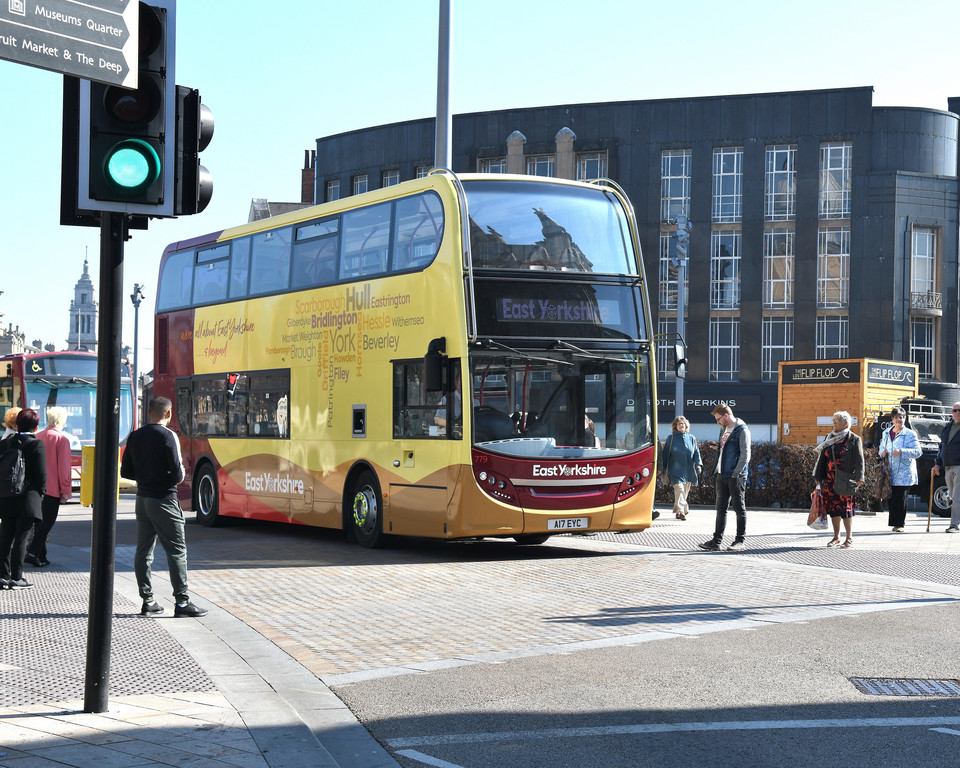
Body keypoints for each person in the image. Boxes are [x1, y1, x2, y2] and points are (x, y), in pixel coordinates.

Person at [120, 396, 207, 618]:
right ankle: (182, 602)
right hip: (165, 500)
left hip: (143, 499)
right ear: (168, 414)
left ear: (149, 412)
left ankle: (148, 600)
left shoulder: (135, 436)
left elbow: (126, 473)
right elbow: (178, 475)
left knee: (143, 551)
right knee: (177, 550)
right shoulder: (169, 436)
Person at [0, 409, 46, 590]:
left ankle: (3, 576)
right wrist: (40, 494)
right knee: (21, 537)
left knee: (5, 536)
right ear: (35, 427)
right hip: (28, 497)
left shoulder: (5, 444)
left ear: (16, 425)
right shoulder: (37, 445)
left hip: (6, 496)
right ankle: (17, 577)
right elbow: (41, 475)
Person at [25, 407, 73, 567]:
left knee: (39, 522)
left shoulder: (37, 436)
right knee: (47, 523)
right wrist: (65, 491)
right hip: (53, 488)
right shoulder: (62, 439)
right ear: (62, 420)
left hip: (36, 488)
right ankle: (32, 553)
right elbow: (64, 469)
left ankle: (42, 556)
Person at [699, 404, 751, 551]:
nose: (717, 422)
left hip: (735, 476)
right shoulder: (724, 429)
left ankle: (740, 541)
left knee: (739, 508)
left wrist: (736, 474)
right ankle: (716, 541)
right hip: (721, 474)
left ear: (726, 415)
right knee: (720, 509)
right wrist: (719, 447)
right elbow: (728, 450)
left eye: (718, 419)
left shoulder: (742, 430)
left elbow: (746, 455)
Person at [813, 411, 865, 548]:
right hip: (830, 479)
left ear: (845, 423)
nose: (834, 423)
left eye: (836, 421)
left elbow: (860, 460)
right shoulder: (829, 437)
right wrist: (818, 478)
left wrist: (860, 478)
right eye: (833, 421)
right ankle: (836, 537)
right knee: (833, 509)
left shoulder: (854, 439)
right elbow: (822, 459)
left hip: (846, 479)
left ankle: (849, 538)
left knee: (846, 510)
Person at [878, 406, 921, 532]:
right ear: (892, 419)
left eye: (901, 418)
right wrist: (882, 452)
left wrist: (902, 451)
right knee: (892, 498)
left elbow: (918, 452)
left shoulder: (910, 434)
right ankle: (894, 522)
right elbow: (881, 447)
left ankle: (899, 524)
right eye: (896, 418)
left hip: (904, 473)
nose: (899, 420)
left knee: (900, 498)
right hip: (889, 472)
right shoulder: (886, 432)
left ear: (905, 419)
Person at [658, 416, 702, 521]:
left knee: (684, 492)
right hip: (675, 470)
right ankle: (682, 511)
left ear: (686, 425)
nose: (681, 425)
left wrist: (698, 464)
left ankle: (678, 511)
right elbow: (665, 455)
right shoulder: (671, 438)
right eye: (679, 424)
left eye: (683, 423)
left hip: (688, 470)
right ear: (675, 427)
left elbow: (696, 452)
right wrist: (662, 469)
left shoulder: (691, 438)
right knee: (679, 489)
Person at [933, 401, 960, 533]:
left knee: (956, 497)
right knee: (954, 497)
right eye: (955, 410)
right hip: (948, 467)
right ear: (952, 412)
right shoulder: (948, 427)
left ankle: (954, 525)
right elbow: (942, 446)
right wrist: (937, 464)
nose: (957, 413)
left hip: (959, 466)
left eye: (959, 410)